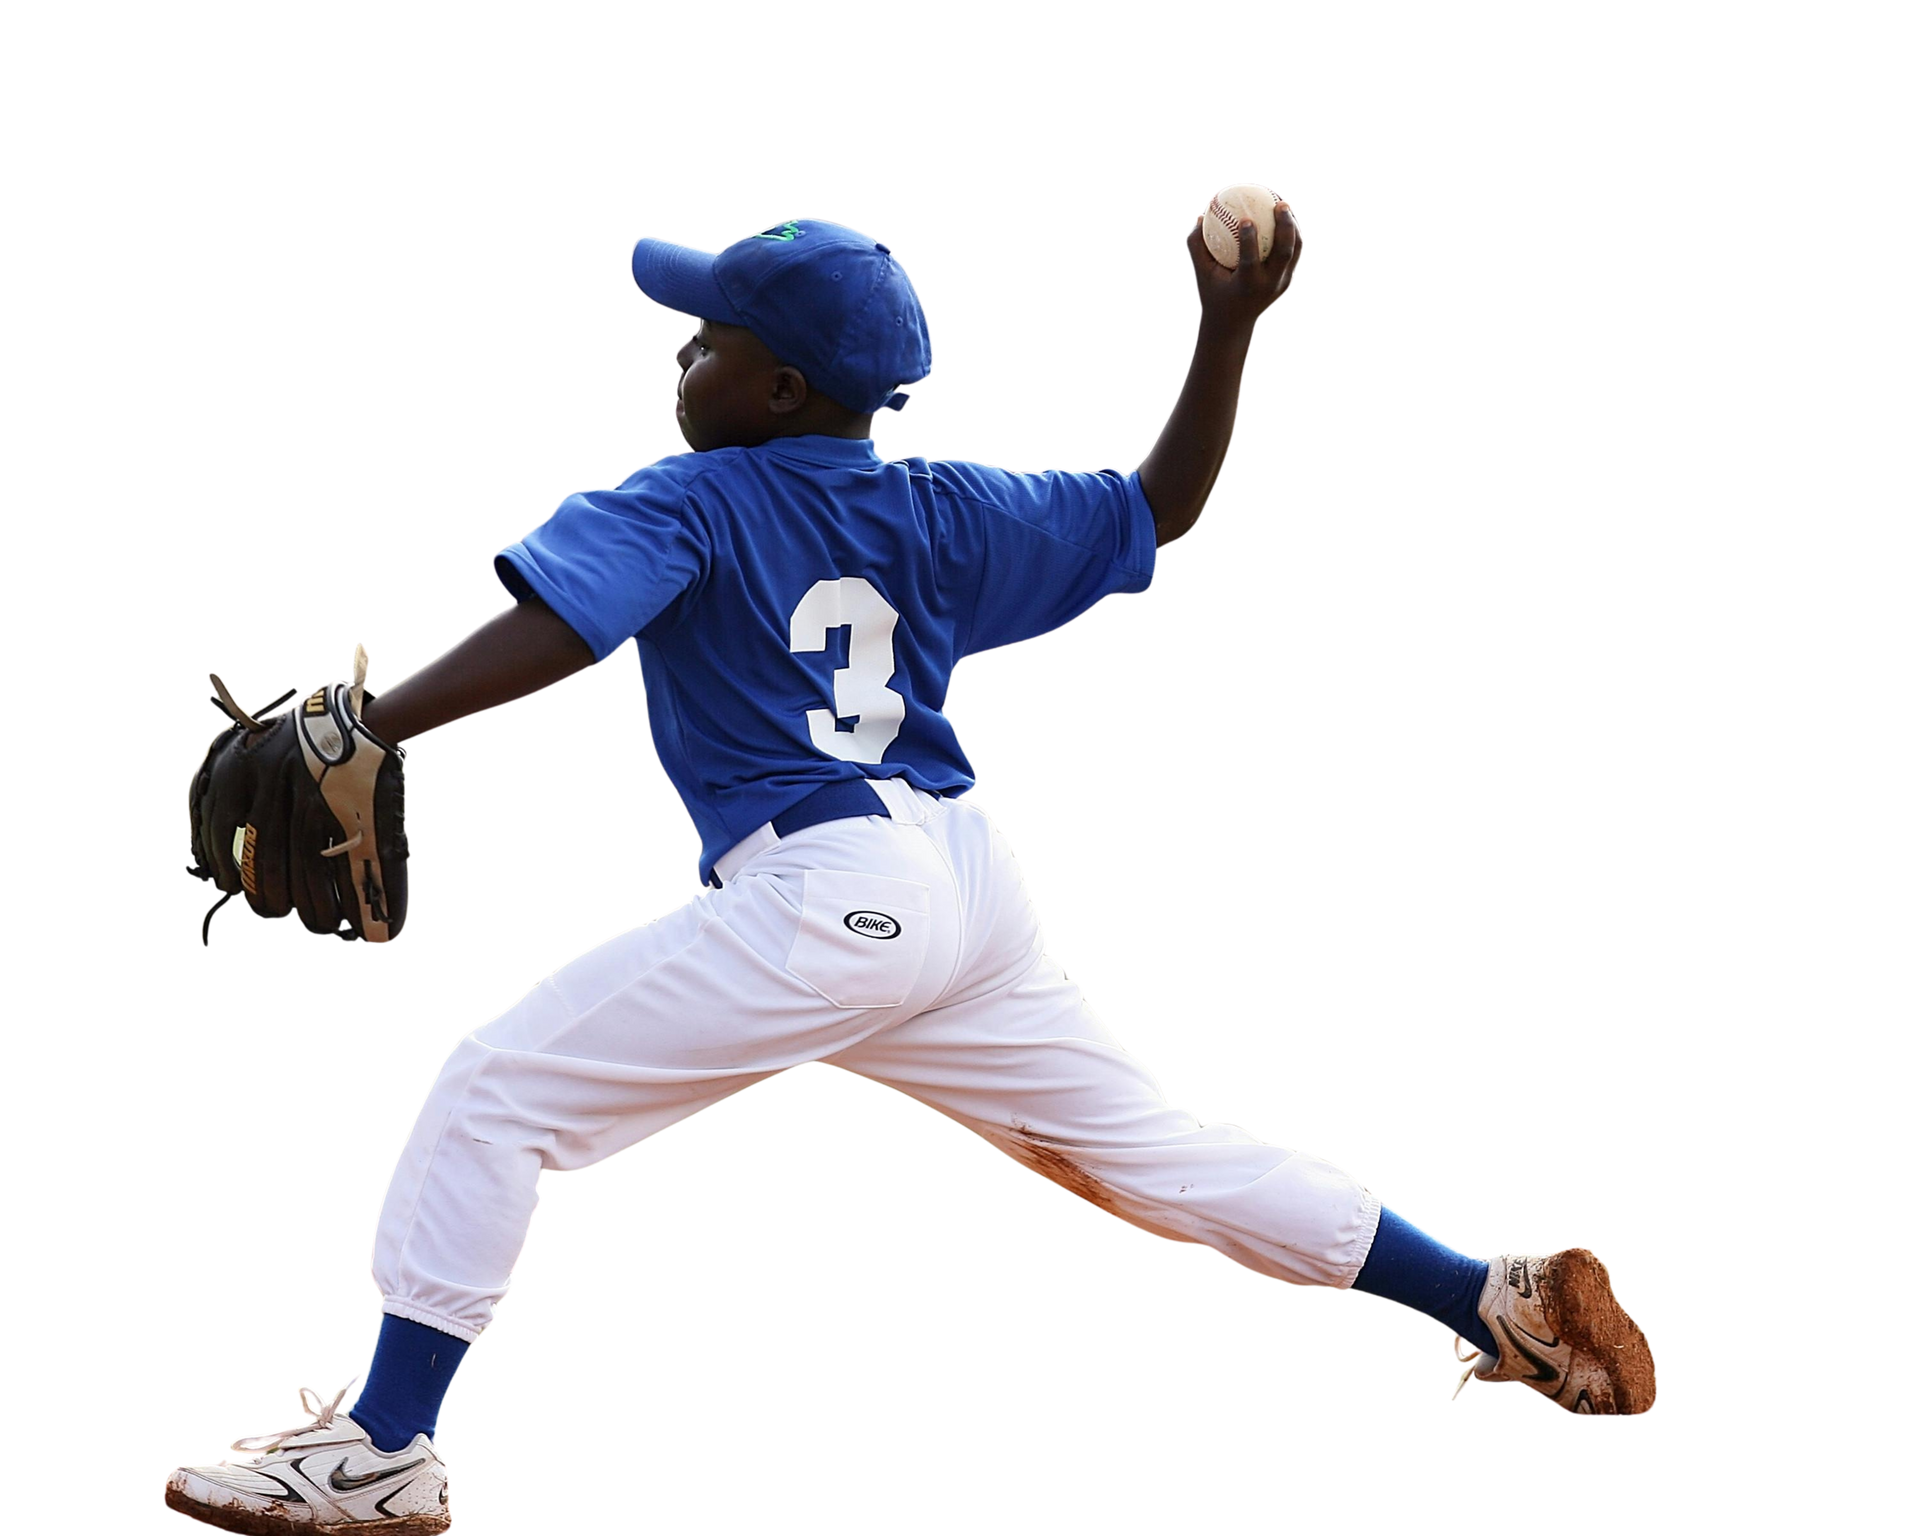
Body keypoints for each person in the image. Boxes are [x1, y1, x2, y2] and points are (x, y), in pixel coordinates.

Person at [162, 200, 1658, 1533]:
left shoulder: (693, 495)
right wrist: (1225, 327)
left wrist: (376, 720)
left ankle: (387, 1444)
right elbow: (1160, 508)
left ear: (783, 388)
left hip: (824, 898)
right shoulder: (943, 504)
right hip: (962, 889)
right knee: (1151, 1158)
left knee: (498, 1089)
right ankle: (1488, 1293)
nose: (683, 349)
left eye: (712, 334)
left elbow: (566, 627)